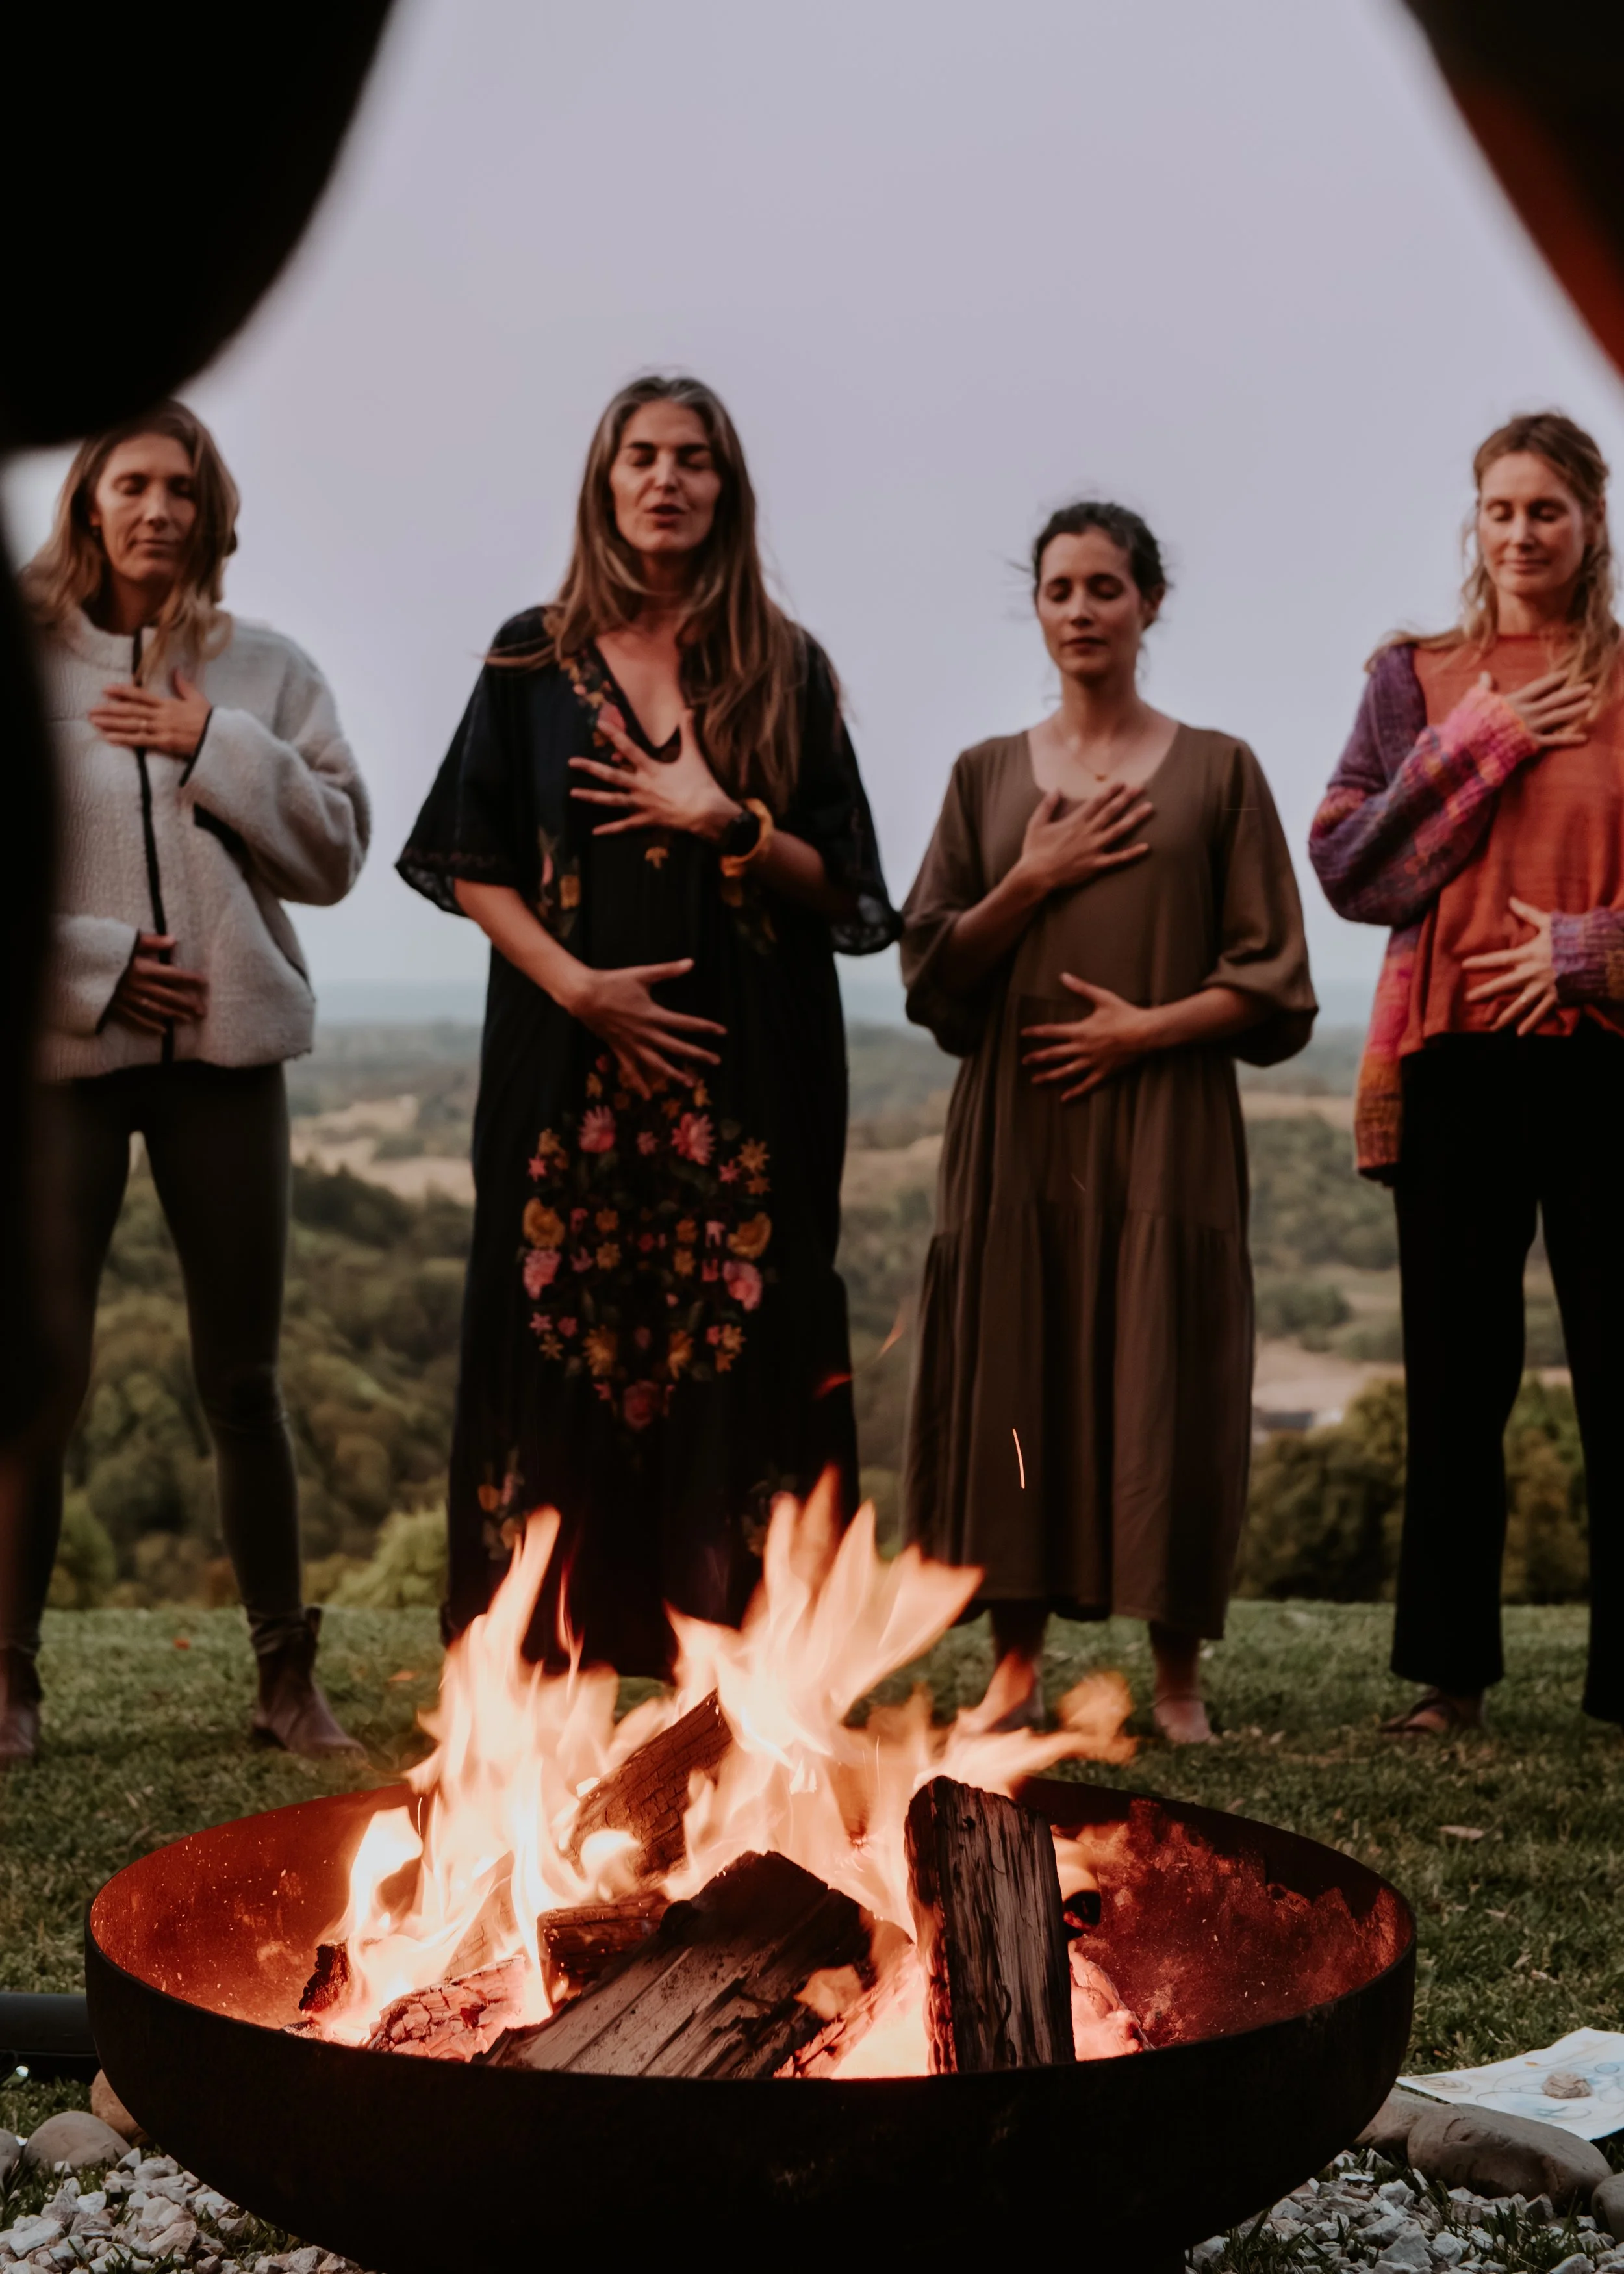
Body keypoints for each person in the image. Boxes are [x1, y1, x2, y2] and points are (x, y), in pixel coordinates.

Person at [399, 373, 897, 1674]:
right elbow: (466, 857)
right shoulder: (527, 659)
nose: (665, 478)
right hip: (563, 1065)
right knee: (551, 1329)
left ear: (725, 490)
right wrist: (575, 986)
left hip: (750, 1076)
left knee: (751, 1337)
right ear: (605, 482)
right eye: (641, 456)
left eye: (692, 458)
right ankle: (541, 1664)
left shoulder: (783, 667)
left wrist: (723, 817)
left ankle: (743, 1667)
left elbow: (843, 882)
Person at [900, 501, 1315, 1743]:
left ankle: (1178, 1681)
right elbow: (931, 970)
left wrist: (1142, 1031)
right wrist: (1031, 878)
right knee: (1015, 1373)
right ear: (1038, 609)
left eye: (1105, 588)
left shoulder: (1221, 770)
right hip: (1017, 1129)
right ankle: (1013, 1674)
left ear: (1149, 605)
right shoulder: (984, 775)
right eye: (1059, 590)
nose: (1081, 611)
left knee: (1165, 1373)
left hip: (1167, 1127)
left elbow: (1275, 978)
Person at [0, 401, 370, 1766]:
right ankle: (8, 1686)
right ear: (89, 501)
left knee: (244, 1379)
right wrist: (94, 968)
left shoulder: (269, 671)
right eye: (132, 483)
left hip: (225, 1065)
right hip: (60, 1070)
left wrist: (213, 739)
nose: (158, 508)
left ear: (214, 514)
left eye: (183, 488)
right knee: (34, 1377)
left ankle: (285, 1684)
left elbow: (336, 852)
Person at [1310, 409, 1624, 1737]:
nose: (1517, 532)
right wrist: (1480, 737)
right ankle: (1450, 1680)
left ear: (1589, 524)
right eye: (1497, 509)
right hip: (1448, 1066)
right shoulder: (1416, 674)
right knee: (1453, 1380)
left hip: (1605, 1066)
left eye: (1542, 509)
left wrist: (1588, 948)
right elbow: (1347, 866)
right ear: (1472, 522)